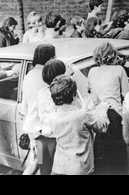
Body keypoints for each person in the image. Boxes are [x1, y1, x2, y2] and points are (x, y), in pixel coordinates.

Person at [47, 75, 107, 175]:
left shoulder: (52, 117)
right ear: (75, 95)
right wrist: (103, 110)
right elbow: (101, 127)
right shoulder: (82, 115)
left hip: (58, 168)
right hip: (79, 169)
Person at [87, 42, 129, 173]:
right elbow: (127, 94)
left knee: (102, 158)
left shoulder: (92, 71)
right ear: (113, 55)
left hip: (99, 116)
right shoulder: (119, 70)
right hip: (115, 115)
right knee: (118, 158)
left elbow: (94, 99)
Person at [20, 44, 56, 175]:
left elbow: (24, 106)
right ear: (49, 58)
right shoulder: (47, 75)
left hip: (32, 128)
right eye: (54, 56)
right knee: (44, 165)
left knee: (37, 162)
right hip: (44, 129)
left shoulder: (29, 75)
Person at [35, 59, 67, 175]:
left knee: (43, 170)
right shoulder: (61, 94)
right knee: (58, 170)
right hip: (55, 139)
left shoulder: (41, 92)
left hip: (40, 139)